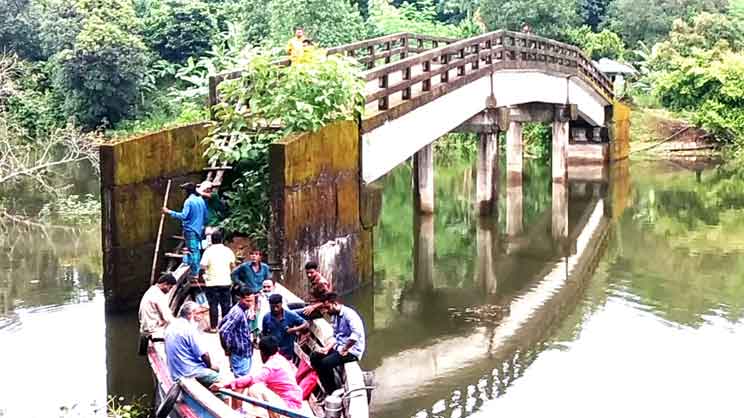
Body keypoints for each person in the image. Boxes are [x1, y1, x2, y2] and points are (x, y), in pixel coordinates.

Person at [212, 337, 303, 417]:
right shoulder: (280, 359)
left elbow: (252, 379)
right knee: (247, 385)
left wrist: (224, 385)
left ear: (262, 353)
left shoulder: (272, 365)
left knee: (254, 388)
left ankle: (249, 414)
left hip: (288, 408)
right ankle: (239, 412)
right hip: (290, 402)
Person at [310, 292, 366, 393]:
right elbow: (336, 336)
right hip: (339, 347)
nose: (326, 311)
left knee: (325, 363)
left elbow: (356, 335)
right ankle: (328, 388)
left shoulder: (350, 315)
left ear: (335, 304)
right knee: (314, 356)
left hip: (351, 350)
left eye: (328, 307)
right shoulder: (335, 316)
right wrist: (326, 349)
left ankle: (332, 392)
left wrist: (345, 349)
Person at [164, 301, 221, 390]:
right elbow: (204, 355)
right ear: (190, 314)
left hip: (175, 371)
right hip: (188, 372)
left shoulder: (171, 326)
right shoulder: (190, 330)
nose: (201, 316)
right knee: (219, 380)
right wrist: (210, 366)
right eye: (199, 313)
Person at [163, 182, 208, 277]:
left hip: (190, 229)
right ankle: (194, 269)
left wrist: (169, 212)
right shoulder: (201, 200)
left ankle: (195, 272)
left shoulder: (189, 201)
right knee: (195, 249)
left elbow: (184, 216)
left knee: (193, 250)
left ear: (187, 191)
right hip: (198, 229)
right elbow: (205, 215)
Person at [200, 229, 236, 332]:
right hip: (225, 281)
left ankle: (213, 327)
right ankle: (226, 326)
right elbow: (233, 265)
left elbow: (203, 265)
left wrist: (206, 272)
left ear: (211, 240)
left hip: (212, 282)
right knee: (226, 304)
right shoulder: (227, 250)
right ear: (222, 239)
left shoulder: (208, 251)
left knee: (213, 305)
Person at [218, 287, 256, 378]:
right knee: (241, 380)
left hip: (245, 351)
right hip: (239, 353)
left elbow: (222, 322)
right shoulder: (237, 312)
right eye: (247, 301)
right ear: (241, 299)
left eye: (252, 301)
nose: (250, 303)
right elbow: (223, 331)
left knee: (243, 378)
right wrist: (226, 348)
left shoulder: (243, 310)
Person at [262, 294, 308, 361]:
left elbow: (306, 324)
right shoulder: (266, 317)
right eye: (272, 307)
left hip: (287, 353)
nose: (275, 309)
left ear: (281, 304)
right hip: (272, 353)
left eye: (277, 306)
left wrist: (294, 329)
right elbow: (264, 334)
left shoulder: (290, 315)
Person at [138, 273, 177, 341]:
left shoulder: (151, 290)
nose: (169, 290)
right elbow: (167, 317)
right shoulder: (159, 296)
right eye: (170, 287)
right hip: (153, 330)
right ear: (165, 284)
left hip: (145, 328)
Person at [196, 180, 226, 246]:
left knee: (211, 243)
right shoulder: (202, 199)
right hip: (206, 224)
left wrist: (197, 190)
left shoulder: (214, 195)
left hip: (213, 223)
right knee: (204, 242)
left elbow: (205, 194)